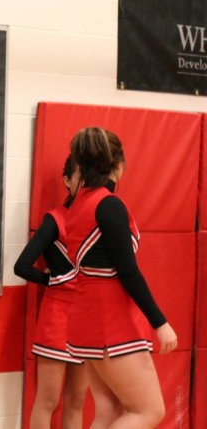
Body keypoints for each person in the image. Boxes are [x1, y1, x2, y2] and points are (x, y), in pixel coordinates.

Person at [65, 127, 177, 428]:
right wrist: (160, 323)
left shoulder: (78, 204)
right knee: (149, 411)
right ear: (117, 164)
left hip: (86, 315)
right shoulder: (108, 205)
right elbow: (127, 271)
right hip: (110, 320)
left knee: (109, 412)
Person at [14, 155, 89, 429]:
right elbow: (21, 266)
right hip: (57, 317)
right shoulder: (55, 220)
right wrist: (52, 280)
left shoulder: (99, 219)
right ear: (67, 180)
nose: (86, 182)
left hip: (87, 319)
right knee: (48, 401)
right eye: (80, 176)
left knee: (77, 401)